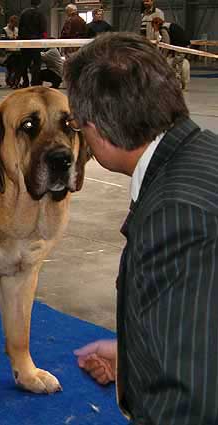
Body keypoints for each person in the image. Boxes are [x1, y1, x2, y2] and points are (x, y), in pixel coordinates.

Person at [66, 32, 218, 423]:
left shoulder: (175, 216)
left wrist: (160, 380)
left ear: (96, 129)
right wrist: (139, 360)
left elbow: (189, 403)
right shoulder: (203, 154)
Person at [151, 17, 191, 89]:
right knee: (179, 64)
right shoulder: (168, 25)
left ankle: (176, 85)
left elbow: (167, 44)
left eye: (153, 26)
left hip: (181, 47)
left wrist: (163, 56)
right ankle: (182, 85)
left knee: (174, 66)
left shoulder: (163, 29)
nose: (153, 28)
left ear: (156, 24)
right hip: (184, 45)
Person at [18, 0, 47, 87]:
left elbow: (20, 28)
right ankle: (35, 82)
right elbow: (43, 29)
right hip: (36, 42)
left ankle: (25, 81)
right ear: (40, 3)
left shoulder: (24, 13)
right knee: (36, 64)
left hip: (25, 42)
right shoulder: (41, 14)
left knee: (24, 63)